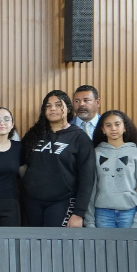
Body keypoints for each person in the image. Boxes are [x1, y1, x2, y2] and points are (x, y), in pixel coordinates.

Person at [19, 90, 95, 227]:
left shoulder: (79, 138)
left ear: (68, 108)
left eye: (58, 105)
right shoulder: (34, 135)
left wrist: (78, 213)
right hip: (31, 202)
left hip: (62, 202)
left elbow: (87, 178)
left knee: (54, 246)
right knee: (33, 244)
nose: (52, 108)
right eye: (48, 106)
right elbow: (21, 165)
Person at [84, 110, 137, 228]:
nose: (113, 128)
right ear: (103, 130)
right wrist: (89, 220)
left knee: (129, 247)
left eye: (117, 124)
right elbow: (90, 188)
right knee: (104, 247)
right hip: (102, 213)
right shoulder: (95, 154)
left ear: (125, 127)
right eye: (108, 125)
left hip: (129, 213)